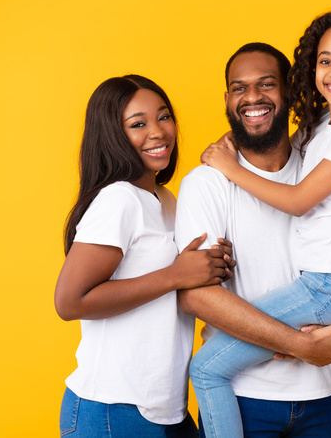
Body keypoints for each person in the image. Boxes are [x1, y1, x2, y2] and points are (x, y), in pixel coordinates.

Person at [193, 8, 331, 438]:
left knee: (206, 368)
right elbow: (285, 153)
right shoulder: (324, 128)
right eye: (325, 61)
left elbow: (296, 201)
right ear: (311, 70)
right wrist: (237, 146)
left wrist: (229, 166)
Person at [54, 74, 234, 437]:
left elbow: (178, 287)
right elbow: (69, 302)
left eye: (163, 117)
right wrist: (176, 275)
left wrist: (210, 265)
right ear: (112, 136)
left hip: (166, 409)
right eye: (138, 124)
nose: (158, 132)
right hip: (112, 409)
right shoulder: (118, 199)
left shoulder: (166, 200)